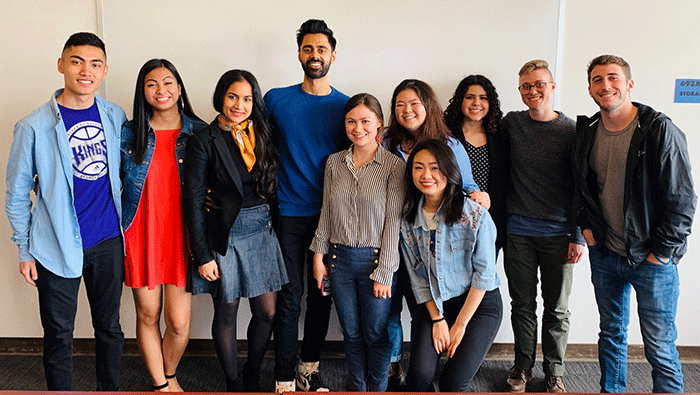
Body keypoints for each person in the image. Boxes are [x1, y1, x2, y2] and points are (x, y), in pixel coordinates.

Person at [5, 32, 126, 391]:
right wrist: (25, 250)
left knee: (110, 328)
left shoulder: (114, 115)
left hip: (107, 240)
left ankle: (110, 389)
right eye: (76, 61)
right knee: (59, 334)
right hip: (54, 243)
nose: (85, 71)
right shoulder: (33, 126)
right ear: (61, 65)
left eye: (95, 64)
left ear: (104, 71)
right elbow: (16, 194)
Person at [573, 54, 696, 393]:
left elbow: (682, 198)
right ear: (590, 89)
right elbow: (581, 188)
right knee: (611, 333)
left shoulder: (658, 129)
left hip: (652, 259)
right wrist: (587, 232)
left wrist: (663, 253)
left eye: (613, 77)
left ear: (628, 84)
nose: (605, 85)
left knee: (658, 343)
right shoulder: (588, 132)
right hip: (606, 254)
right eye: (598, 80)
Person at [183, 69, 288, 392]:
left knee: (267, 311)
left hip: (262, 230)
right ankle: (232, 382)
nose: (239, 105)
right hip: (225, 234)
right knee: (226, 310)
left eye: (246, 98)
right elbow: (193, 199)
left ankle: (252, 372)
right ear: (221, 97)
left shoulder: (264, 132)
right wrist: (202, 254)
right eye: (232, 97)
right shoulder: (203, 139)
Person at [263, 19, 349, 393]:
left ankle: (308, 368)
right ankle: (284, 377)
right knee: (287, 300)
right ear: (299, 53)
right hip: (286, 215)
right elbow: (254, 150)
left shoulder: (346, 105)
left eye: (322, 49)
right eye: (308, 49)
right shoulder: (275, 99)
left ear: (333, 54)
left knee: (321, 296)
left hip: (329, 218)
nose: (315, 56)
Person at [383, 78, 485, 386]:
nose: (407, 110)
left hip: (428, 240)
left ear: (429, 106)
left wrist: (481, 197)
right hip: (393, 235)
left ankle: (432, 361)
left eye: (414, 103)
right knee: (388, 307)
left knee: (420, 307)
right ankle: (393, 362)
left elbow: (466, 187)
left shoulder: (450, 145)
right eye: (400, 105)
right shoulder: (387, 141)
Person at [121, 59, 206, 391]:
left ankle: (167, 374)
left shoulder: (199, 132)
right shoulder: (129, 133)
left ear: (180, 88)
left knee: (179, 323)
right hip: (140, 233)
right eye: (152, 84)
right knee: (147, 314)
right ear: (143, 92)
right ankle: (160, 385)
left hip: (182, 236)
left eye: (168, 82)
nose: (161, 90)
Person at [309, 93, 404, 391]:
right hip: (338, 261)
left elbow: (393, 223)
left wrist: (385, 272)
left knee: (375, 333)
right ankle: (357, 386)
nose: (358, 127)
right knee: (350, 333)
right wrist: (318, 256)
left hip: (375, 262)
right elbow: (326, 212)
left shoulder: (393, 166)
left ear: (379, 124)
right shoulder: (334, 162)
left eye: (365, 121)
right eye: (351, 121)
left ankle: (376, 388)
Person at [502, 59, 584, 393]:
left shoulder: (574, 130)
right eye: (525, 86)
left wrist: (578, 235)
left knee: (557, 309)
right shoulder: (511, 124)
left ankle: (555, 370)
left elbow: (583, 185)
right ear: (520, 90)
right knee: (522, 305)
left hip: (559, 234)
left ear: (552, 86)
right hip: (518, 231)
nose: (533, 91)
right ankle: (523, 366)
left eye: (539, 84)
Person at [400, 139, 502, 392]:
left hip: (478, 306)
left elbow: (485, 275)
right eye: (418, 167)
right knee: (419, 379)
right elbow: (418, 277)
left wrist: (459, 325)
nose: (426, 175)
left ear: (449, 170)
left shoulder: (475, 214)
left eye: (435, 168)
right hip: (437, 302)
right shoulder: (407, 218)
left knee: (453, 384)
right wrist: (438, 319)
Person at [444, 74, 509, 251]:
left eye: (483, 98)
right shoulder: (446, 134)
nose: (476, 103)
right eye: (470, 97)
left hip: (491, 219)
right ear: (460, 101)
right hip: (453, 218)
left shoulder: (501, 134)